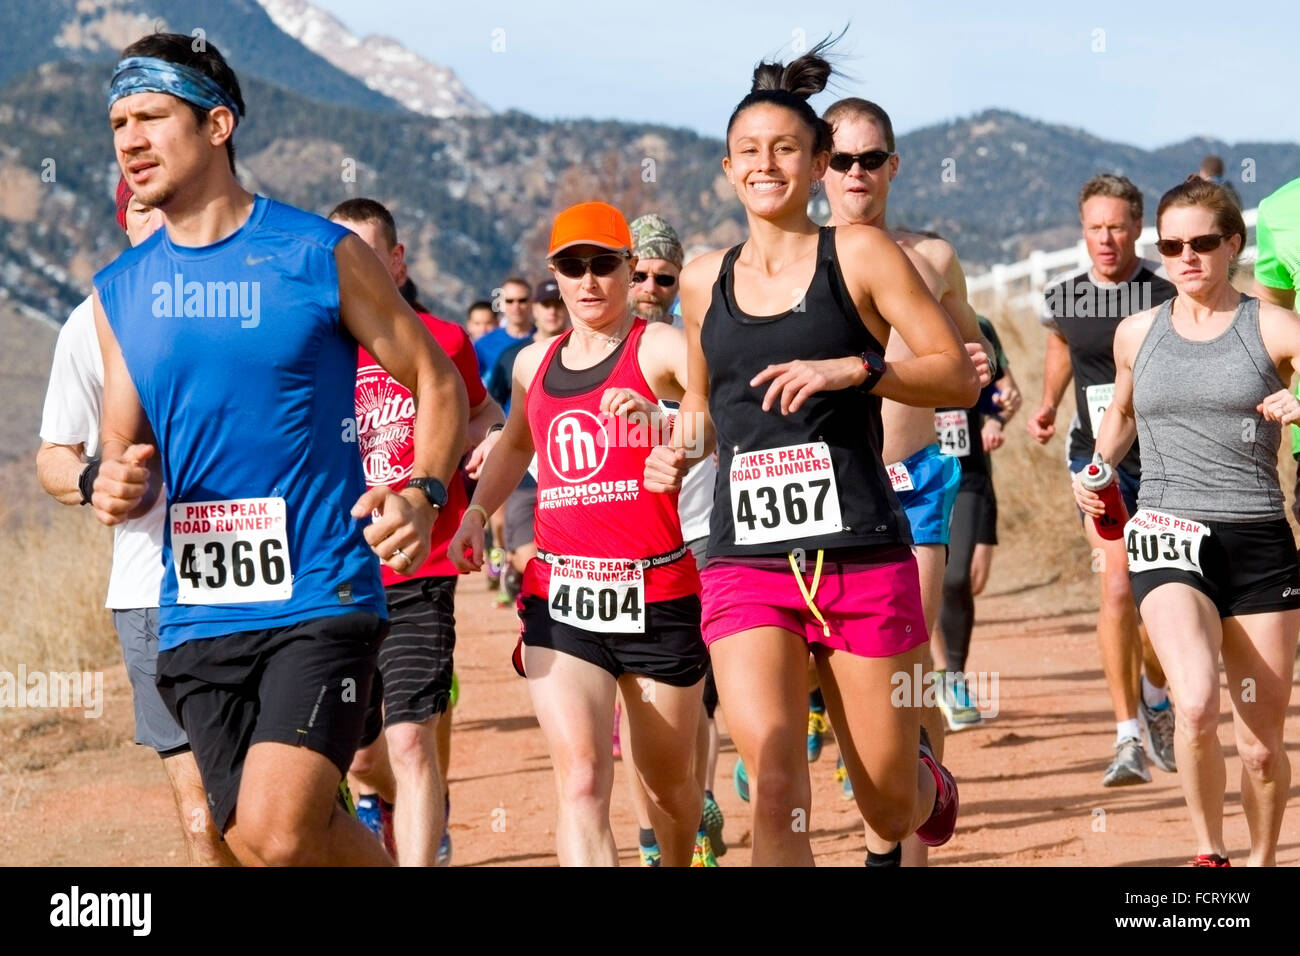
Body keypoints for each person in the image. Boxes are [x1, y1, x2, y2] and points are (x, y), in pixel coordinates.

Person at [92, 33, 467, 866]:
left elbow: (435, 380)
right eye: (118, 122)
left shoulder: (316, 254)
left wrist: (423, 489)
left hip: (322, 590)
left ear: (218, 124)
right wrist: (107, 477)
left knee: (280, 831)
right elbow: (121, 443)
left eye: (151, 116)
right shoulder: (123, 290)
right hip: (196, 612)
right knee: (249, 845)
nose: (129, 139)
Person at [645, 39, 977, 866]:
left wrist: (857, 367)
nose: (767, 165)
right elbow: (706, 408)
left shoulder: (859, 253)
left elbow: (953, 378)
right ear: (727, 167)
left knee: (891, 807)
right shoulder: (699, 281)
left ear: (819, 161)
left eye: (787, 149)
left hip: (861, 553)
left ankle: (925, 781)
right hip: (746, 562)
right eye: (750, 152)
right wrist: (674, 448)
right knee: (779, 781)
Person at [451, 201, 708, 867]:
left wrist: (665, 427)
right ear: (555, 277)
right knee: (585, 782)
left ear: (628, 268)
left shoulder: (661, 347)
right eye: (572, 266)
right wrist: (476, 514)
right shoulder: (532, 364)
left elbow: (716, 424)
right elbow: (513, 445)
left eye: (603, 264)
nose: (588, 280)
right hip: (562, 597)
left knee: (670, 790)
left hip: (657, 593)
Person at [1075, 177, 1300, 866]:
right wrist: (1096, 469)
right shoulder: (1138, 332)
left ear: (1234, 244)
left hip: (1259, 538)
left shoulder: (1271, 325)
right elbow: (1122, 417)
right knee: (1198, 703)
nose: (1187, 257)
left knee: (1261, 746)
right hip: (1169, 534)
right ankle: (1210, 855)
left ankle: (1261, 861)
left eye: (1203, 242)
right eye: (1171, 246)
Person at [36, 178, 236, 867]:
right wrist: (93, 479)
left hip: (262, 588)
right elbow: (53, 454)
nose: (161, 223)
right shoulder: (89, 324)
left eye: (175, 208)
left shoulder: (249, 306)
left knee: (280, 812)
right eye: (146, 211)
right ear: (126, 223)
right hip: (150, 592)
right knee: (201, 817)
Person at [818, 96, 991, 864]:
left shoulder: (932, 257)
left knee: (910, 661)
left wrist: (988, 369)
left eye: (870, 158)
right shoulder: (797, 262)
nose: (856, 173)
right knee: (836, 677)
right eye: (841, 158)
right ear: (819, 165)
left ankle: (906, 837)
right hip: (828, 488)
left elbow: (968, 339)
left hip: (914, 482)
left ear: (893, 165)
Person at [329, 197, 503, 867]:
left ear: (397, 262)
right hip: (336, 575)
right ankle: (384, 801)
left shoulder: (443, 340)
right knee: (361, 754)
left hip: (418, 569)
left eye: (369, 255)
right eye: (342, 259)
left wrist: (473, 452)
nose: (356, 271)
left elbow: (484, 411)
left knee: (409, 742)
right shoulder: (312, 351)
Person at [1028, 174, 1179, 787]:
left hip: (1169, 462)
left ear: (1138, 227)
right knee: (1117, 588)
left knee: (1162, 603)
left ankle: (1157, 694)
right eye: (1095, 227)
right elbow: (1062, 349)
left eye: (1117, 225)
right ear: (1082, 230)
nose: (1106, 238)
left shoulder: (1166, 292)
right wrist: (1045, 404)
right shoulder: (1064, 296)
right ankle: (1127, 738)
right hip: (1097, 462)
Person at [620, 212, 727, 865]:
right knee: (638, 698)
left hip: (701, 532)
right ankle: (649, 836)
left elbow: (715, 423)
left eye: (664, 275)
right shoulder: (597, 348)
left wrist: (668, 436)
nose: (651, 286)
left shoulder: (696, 345)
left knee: (700, 692)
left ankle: (701, 808)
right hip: (626, 548)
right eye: (639, 273)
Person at [934, 315, 1021, 730]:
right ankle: (937, 680)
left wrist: (995, 418)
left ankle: (952, 674)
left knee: (961, 580)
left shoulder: (973, 323)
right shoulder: (881, 324)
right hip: (908, 477)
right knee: (923, 584)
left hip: (968, 474)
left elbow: (1001, 392)